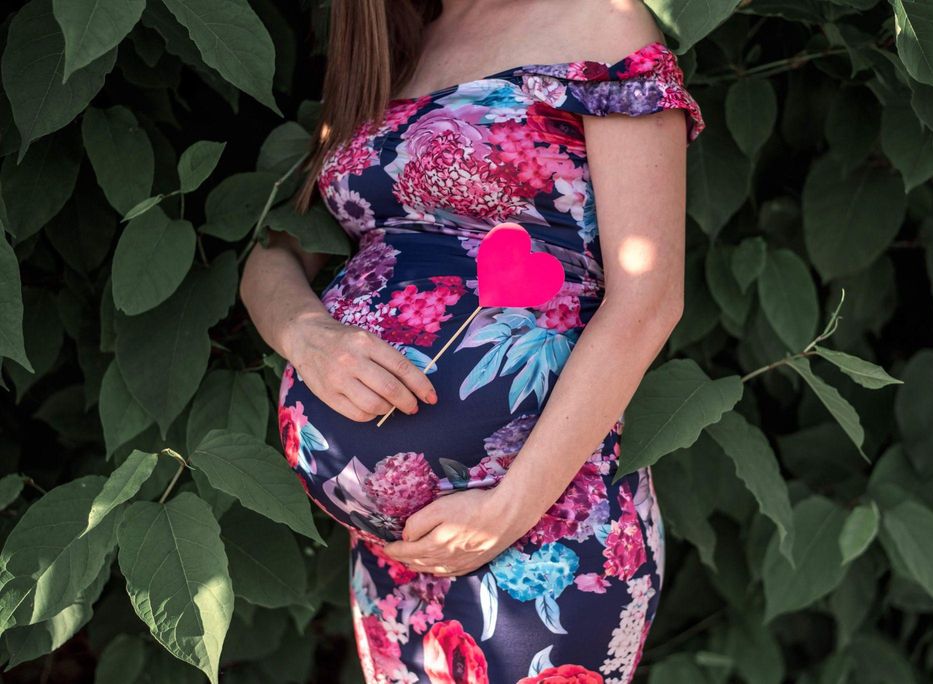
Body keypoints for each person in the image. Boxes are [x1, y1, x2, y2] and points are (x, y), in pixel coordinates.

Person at [239, 0, 705, 680]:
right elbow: (274, 253)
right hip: (396, 556)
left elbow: (649, 297)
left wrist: (506, 510)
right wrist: (310, 336)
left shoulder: (599, 21)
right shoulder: (391, 55)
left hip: (546, 524)